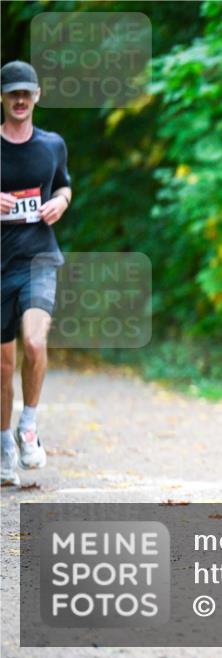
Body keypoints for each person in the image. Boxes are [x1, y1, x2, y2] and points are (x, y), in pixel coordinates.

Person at [1, 61, 72, 487]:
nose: (21, 100)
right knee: (2, 363)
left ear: (38, 95)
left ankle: (29, 426)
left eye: (27, 93)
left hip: (39, 259)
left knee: (34, 339)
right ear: (4, 98)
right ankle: (5, 444)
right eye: (13, 93)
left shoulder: (52, 145)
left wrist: (61, 202)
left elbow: (63, 184)